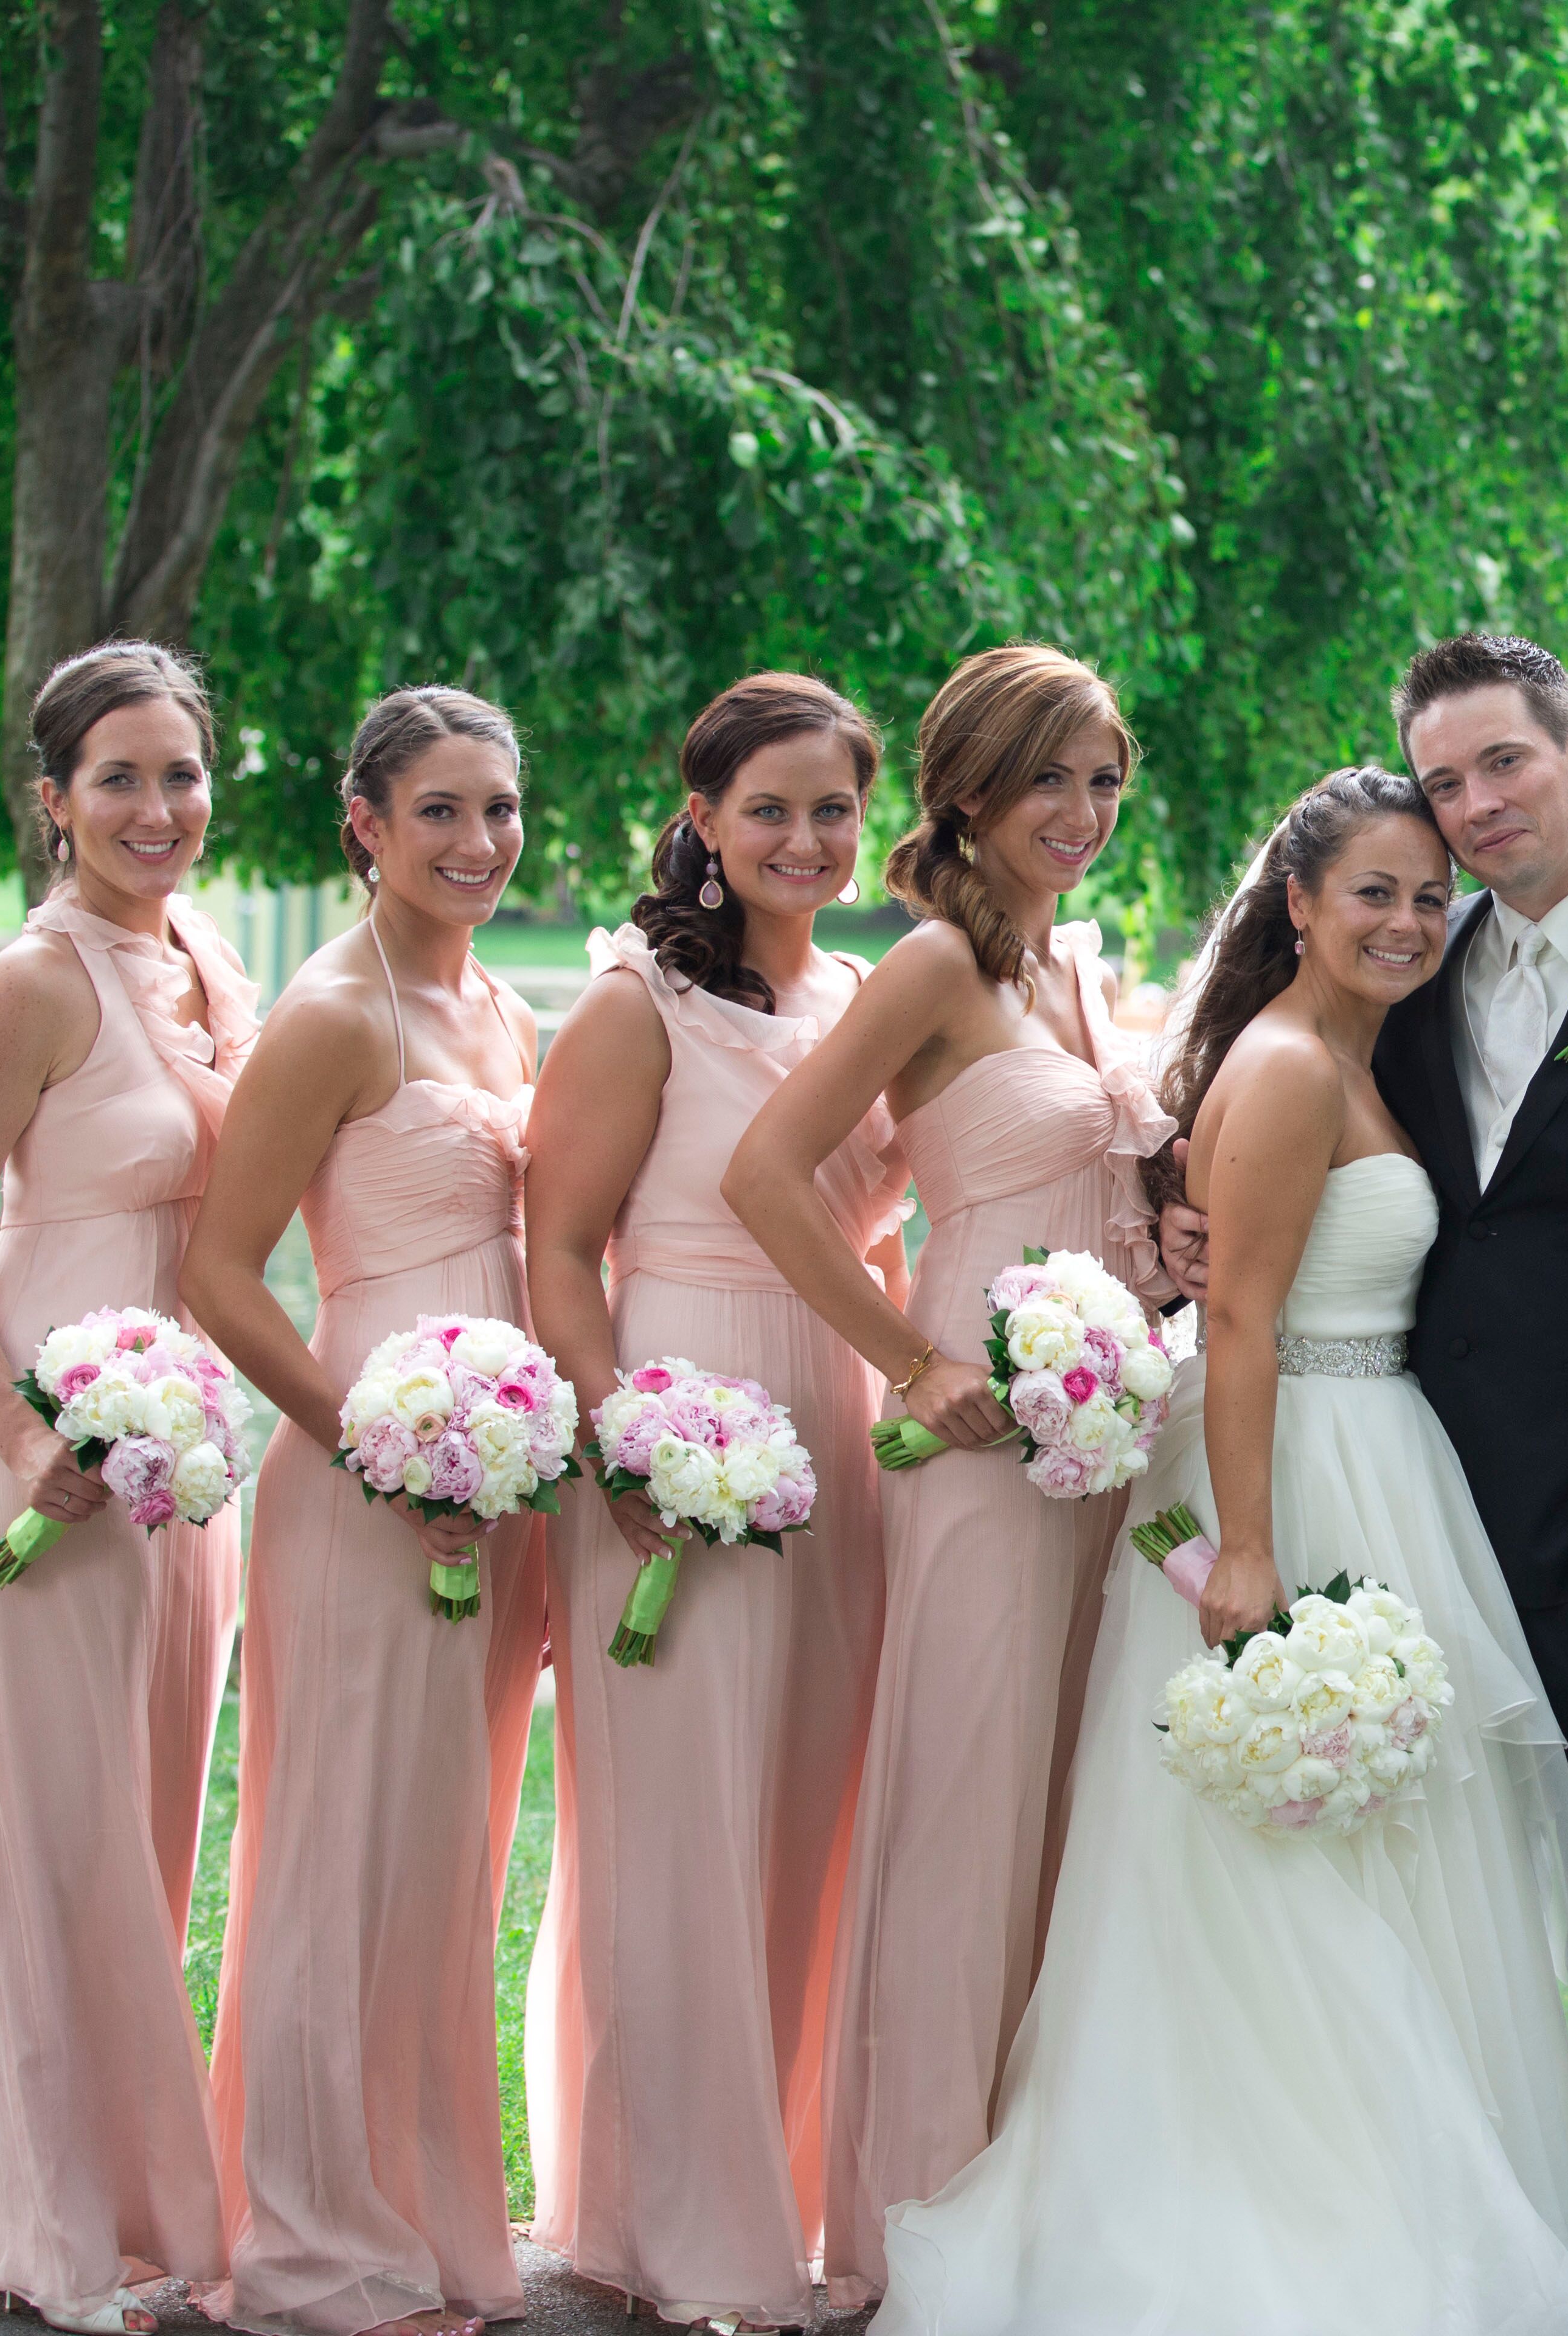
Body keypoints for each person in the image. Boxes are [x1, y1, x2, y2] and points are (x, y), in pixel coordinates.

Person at [869, 765, 1568, 2336]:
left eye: (1429, 895)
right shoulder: (1297, 1066)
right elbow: (1236, 1316)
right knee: (1283, 1867)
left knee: (1379, 1855)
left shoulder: (1362, 1055)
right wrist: (1247, 1551)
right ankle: (1299, 2230)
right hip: (1291, 1471)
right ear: (1298, 902)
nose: (1407, 920)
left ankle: (1401, 2200)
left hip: (1378, 1458)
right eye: (1372, 891)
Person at [1159, 632, 1568, 2335]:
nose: (1476, 807)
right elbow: (1294, 1211)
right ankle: (1471, 2225)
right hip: (1416, 1524)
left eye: (1502, 766)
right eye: (1445, 784)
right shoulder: (1410, 979)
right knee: (1419, 1902)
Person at [721, 642, 1169, 2309]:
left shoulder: (1074, 974)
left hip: (1100, 1456)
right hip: (979, 1462)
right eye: (1050, 778)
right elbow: (770, 1177)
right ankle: (908, 2229)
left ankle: (1023, 2201)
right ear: (967, 794)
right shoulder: (924, 970)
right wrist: (915, 1362)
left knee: (1062, 1825)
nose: (1083, 812)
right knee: (961, 1824)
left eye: (1107, 778)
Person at [522, 675, 907, 2330]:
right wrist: (622, 1445)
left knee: (806, 1828)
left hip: (834, 1426)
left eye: (832, 810)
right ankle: (677, 2231)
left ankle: (792, 2197)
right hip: (678, 1420)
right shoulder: (636, 1007)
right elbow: (558, 1245)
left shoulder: (870, 997)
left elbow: (872, 1226)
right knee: (677, 1837)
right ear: (702, 821)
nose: (805, 840)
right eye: (770, 809)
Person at [0, 641, 258, 2336]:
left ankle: (126, 2198)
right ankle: (35, 2217)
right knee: (49, 1837)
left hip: (181, 1455)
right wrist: (30, 1433)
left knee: (145, 1831)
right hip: (44, 1437)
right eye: (117, 776)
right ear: (54, 800)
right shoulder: (33, 983)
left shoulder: (204, 959)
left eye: (179, 774)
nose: (154, 807)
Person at [185, 687, 550, 2336]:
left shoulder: (508, 1009)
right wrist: (379, 1454)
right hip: (367, 1483)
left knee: (441, 1869)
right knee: (338, 1862)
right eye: (442, 813)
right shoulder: (334, 1016)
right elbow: (217, 1272)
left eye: (501, 809)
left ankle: (417, 2215)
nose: (479, 843)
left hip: (497, 1485)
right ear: (366, 827)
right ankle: (315, 2243)